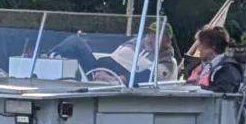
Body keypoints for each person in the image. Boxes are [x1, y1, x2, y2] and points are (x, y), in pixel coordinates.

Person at [45, 21, 178, 84]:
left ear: (166, 39)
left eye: (155, 34)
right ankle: (46, 57)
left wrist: (114, 79)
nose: (149, 37)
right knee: (75, 41)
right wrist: (100, 69)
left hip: (115, 81)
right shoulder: (136, 42)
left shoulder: (167, 61)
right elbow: (114, 55)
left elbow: (148, 77)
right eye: (149, 33)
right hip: (97, 70)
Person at [184, 24, 243, 93]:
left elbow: (222, 93)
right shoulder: (207, 66)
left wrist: (198, 88)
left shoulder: (228, 69)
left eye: (201, 44)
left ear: (213, 46)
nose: (198, 48)